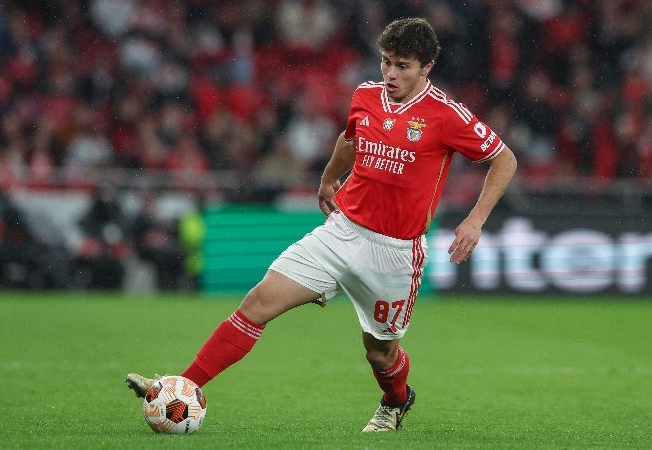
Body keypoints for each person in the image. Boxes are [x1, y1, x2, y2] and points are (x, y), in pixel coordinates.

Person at [126, 17, 517, 432]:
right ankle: (180, 388)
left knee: (380, 353)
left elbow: (504, 159)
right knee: (258, 303)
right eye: (386, 62)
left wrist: (475, 221)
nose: (390, 73)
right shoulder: (366, 95)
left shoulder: (446, 114)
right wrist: (330, 177)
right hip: (342, 231)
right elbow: (351, 138)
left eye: (402, 65)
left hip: (396, 252)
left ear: (427, 67)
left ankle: (396, 400)